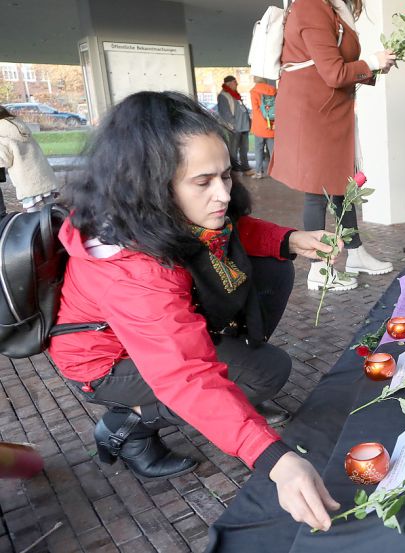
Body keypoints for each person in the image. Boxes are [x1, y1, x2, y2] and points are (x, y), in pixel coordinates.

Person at [49, 92, 342, 531]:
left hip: (149, 338)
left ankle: (232, 383)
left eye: (226, 176)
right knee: (265, 373)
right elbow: (185, 375)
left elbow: (234, 230)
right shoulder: (132, 267)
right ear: (150, 183)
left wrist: (289, 239)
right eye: (203, 182)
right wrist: (275, 460)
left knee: (271, 271)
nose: (224, 194)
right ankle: (127, 425)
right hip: (106, 362)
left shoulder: (155, 216)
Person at [271, 0, 397, 291]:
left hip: (326, 108)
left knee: (342, 184)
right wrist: (373, 63)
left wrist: (373, 68)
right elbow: (333, 73)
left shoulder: (325, 6)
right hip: (314, 112)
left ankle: (356, 254)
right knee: (317, 191)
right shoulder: (312, 6)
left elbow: (333, 67)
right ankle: (318, 270)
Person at [0, 105, 60, 217]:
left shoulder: (2, 135)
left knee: (33, 215)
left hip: (27, 182)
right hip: (42, 176)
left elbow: (5, 160)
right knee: (52, 209)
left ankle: (40, 232)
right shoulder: (18, 126)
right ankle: (59, 227)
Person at [217, 75, 253, 175]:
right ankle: (233, 170)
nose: (236, 84)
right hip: (234, 128)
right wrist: (233, 125)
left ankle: (245, 169)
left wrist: (248, 122)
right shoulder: (223, 95)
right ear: (228, 83)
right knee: (233, 151)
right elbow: (225, 113)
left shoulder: (235, 95)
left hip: (244, 127)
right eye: (234, 82)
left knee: (244, 149)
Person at [249, 76, 277, 179]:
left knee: (258, 150)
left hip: (259, 126)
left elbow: (256, 110)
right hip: (272, 125)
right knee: (273, 150)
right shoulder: (274, 90)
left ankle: (259, 172)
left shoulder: (254, 92)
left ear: (255, 80)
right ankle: (275, 172)